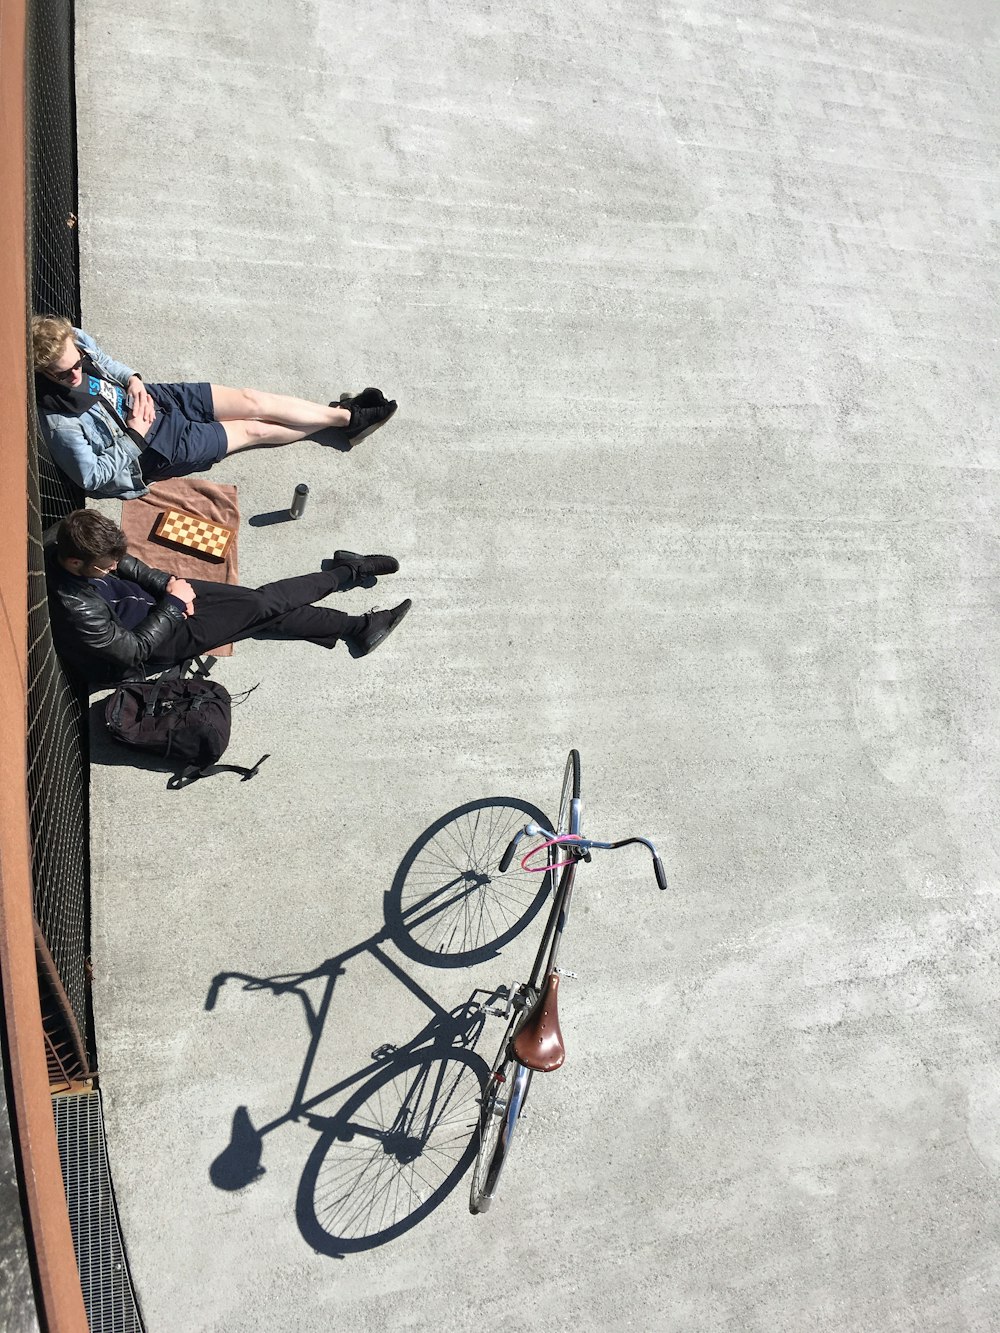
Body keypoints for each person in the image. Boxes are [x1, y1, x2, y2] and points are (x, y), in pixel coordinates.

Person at [31, 315, 397, 500]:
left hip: (155, 398)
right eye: (65, 374)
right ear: (46, 372)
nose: (76, 373)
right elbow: (91, 478)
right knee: (255, 427)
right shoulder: (60, 422)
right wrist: (134, 436)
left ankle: (346, 417)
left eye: (78, 362)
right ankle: (346, 419)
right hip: (152, 450)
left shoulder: (73, 339)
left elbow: (106, 362)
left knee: (252, 399)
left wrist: (134, 380)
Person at [46, 509, 411, 685]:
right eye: (104, 568)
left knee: (260, 611)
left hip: (167, 599)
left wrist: (169, 586)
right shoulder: (75, 608)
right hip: (162, 639)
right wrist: (173, 607)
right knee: (260, 605)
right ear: (76, 562)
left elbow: (129, 566)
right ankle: (350, 576)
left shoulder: (73, 537)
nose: (112, 569)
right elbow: (134, 650)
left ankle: (358, 625)